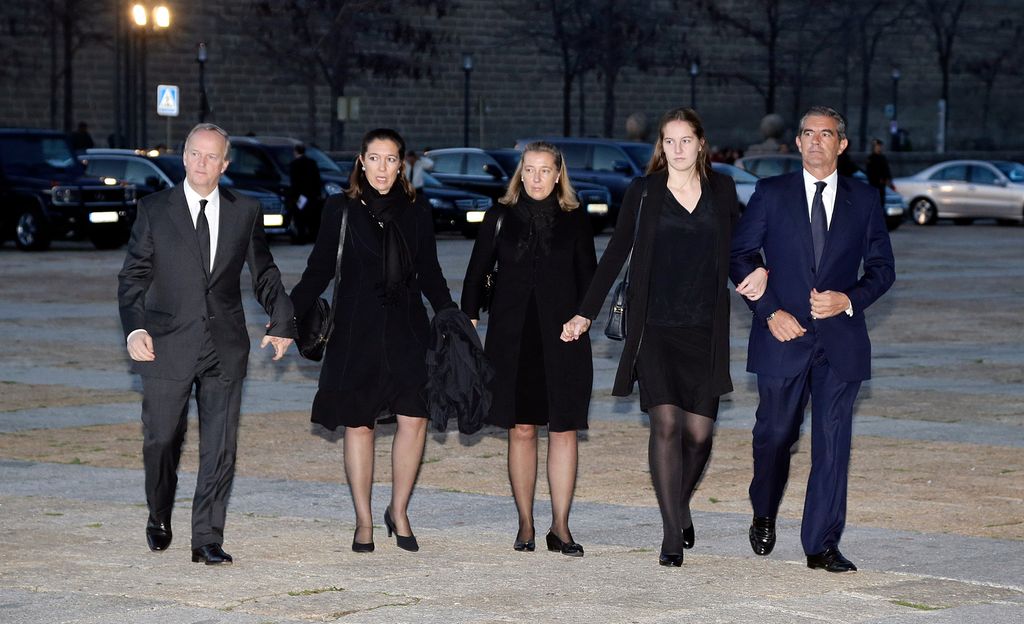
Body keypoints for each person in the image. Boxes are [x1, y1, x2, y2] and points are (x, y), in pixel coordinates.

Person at [563, 108, 765, 567]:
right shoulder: (645, 191)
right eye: (669, 141)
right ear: (661, 146)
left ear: (700, 144)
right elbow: (615, 253)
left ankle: (681, 501)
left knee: (699, 434)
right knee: (667, 424)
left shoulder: (723, 190)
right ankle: (671, 532)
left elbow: (740, 250)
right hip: (653, 327)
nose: (677, 149)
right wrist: (583, 314)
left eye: (685, 140)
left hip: (704, 327)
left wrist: (761, 278)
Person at [117, 123, 295, 565]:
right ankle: (159, 512)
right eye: (195, 154)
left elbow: (265, 273)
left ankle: (207, 538)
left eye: (211, 156)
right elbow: (133, 277)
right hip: (165, 345)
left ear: (224, 164)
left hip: (224, 345)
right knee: (161, 439)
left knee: (220, 446)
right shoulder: (155, 209)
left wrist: (283, 319)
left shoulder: (245, 211)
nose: (201, 163)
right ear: (184, 157)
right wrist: (135, 328)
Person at [730, 106, 895, 573]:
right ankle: (764, 507)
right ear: (797, 143)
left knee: (832, 441)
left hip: (840, 342)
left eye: (826, 134)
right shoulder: (770, 193)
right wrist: (768, 313)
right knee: (775, 435)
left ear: (842, 145)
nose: (816, 141)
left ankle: (821, 543)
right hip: (783, 336)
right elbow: (739, 257)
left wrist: (848, 298)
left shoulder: (864, 200)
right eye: (808, 133)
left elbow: (883, 270)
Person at [289, 128, 455, 554]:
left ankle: (398, 511)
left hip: (407, 331)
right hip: (354, 332)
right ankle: (363, 519)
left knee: (414, 418)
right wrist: (283, 320)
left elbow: (431, 273)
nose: (383, 168)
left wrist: (452, 316)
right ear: (361, 161)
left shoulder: (417, 211)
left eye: (391, 159)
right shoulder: (339, 209)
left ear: (402, 165)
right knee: (358, 424)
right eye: (375, 159)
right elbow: (318, 270)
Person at [462, 142, 596, 557]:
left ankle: (561, 526)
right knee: (520, 429)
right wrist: (467, 323)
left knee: (563, 429)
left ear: (559, 175)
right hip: (511, 338)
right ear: (520, 173)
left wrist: (584, 316)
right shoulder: (499, 217)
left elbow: (590, 279)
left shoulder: (575, 221)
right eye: (529, 169)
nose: (536, 178)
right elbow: (475, 273)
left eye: (545, 170)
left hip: (564, 338)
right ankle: (525, 522)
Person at [288, 143, 324, 243]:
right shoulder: (312, 163)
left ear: (295, 151)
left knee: (299, 217)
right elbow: (317, 179)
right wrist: (318, 193)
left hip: (300, 195)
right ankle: (313, 237)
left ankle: (301, 238)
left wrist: (293, 195)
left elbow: (294, 182)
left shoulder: (294, 164)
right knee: (312, 217)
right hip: (311, 194)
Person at [865, 138, 896, 206]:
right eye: (877, 146)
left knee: (881, 202)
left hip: (882, 185)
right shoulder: (871, 158)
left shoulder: (882, 158)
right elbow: (870, 172)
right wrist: (877, 179)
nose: (878, 148)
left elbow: (886, 170)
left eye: (879, 146)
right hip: (874, 184)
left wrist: (888, 179)